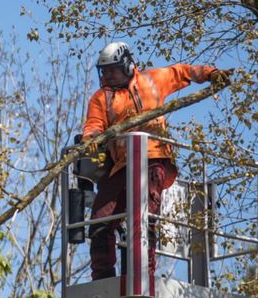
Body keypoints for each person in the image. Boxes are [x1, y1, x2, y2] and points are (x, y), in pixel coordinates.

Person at [83, 41, 231, 280]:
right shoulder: (101, 98)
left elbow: (183, 71)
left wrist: (211, 73)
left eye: (112, 69)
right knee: (100, 222)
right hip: (120, 166)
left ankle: (144, 274)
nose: (108, 75)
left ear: (127, 66)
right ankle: (103, 277)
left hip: (154, 158)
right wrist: (91, 138)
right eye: (105, 71)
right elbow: (94, 124)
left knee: (144, 218)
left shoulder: (152, 80)